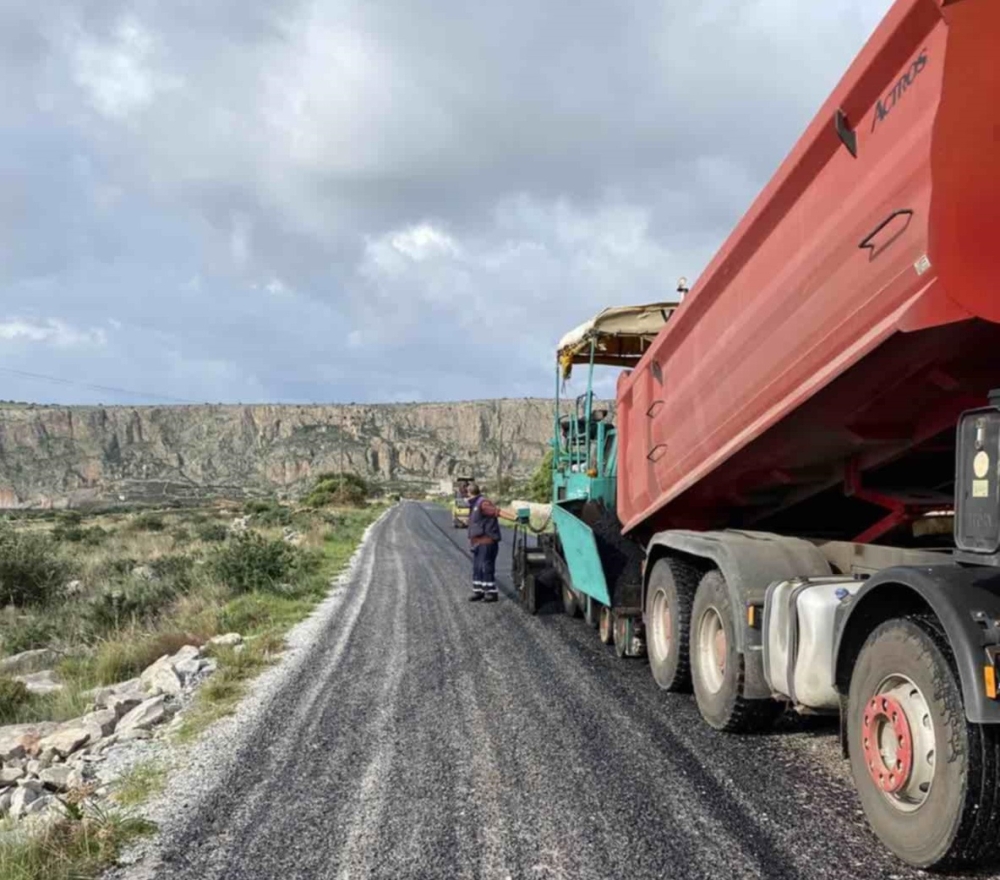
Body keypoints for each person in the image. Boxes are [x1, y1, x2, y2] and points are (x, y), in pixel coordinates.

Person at [465, 482, 516, 602]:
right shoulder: (474, 505)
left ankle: (491, 593)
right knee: (477, 567)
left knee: (486, 566)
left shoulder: (483, 503)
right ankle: (479, 591)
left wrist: (515, 518)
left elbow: (497, 512)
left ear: (470, 493)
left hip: (487, 541)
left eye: (467, 493)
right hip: (477, 541)